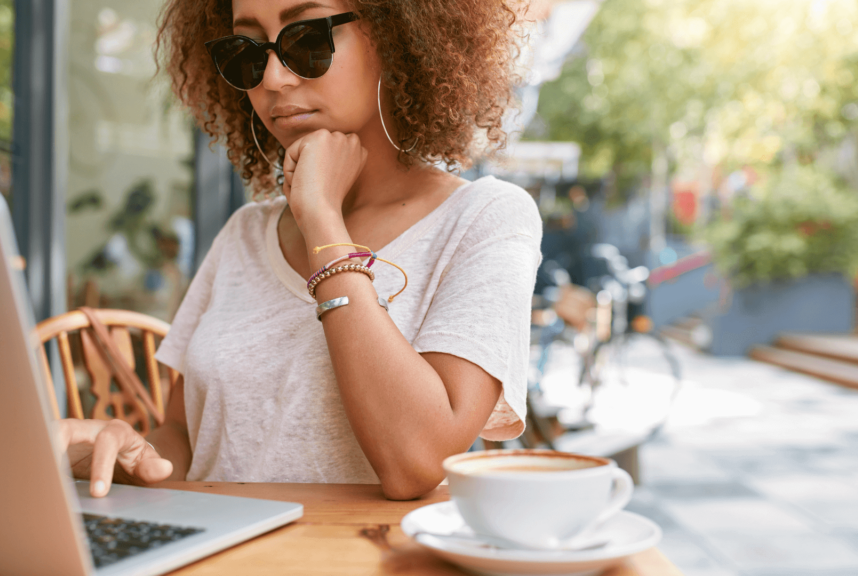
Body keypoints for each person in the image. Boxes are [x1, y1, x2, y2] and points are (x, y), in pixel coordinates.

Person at [59, 0, 541, 501]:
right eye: (245, 52)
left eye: (307, 39)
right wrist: (123, 458)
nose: (272, 77)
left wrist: (322, 222)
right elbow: (183, 435)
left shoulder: (484, 218)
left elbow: (415, 462)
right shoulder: (246, 232)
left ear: (397, 37)